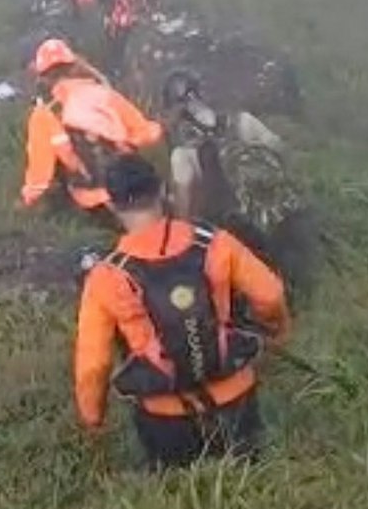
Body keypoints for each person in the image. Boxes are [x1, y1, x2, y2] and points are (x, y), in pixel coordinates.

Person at [73, 155, 290, 469]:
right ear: (162, 190)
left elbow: (93, 364)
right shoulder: (214, 242)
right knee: (258, 481)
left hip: (164, 417)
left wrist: (93, 419)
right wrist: (279, 333)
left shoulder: (107, 276)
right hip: (236, 396)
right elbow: (270, 296)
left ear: (112, 206)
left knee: (180, 495)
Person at [21, 38, 162, 215]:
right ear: (74, 66)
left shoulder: (43, 115)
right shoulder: (104, 93)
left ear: (43, 77)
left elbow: (40, 175)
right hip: (134, 184)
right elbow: (147, 134)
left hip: (92, 200)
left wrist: (27, 202)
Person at [158, 69, 292, 232]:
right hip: (277, 216)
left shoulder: (184, 154)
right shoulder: (243, 121)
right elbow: (282, 152)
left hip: (232, 231)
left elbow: (184, 212)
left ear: (178, 109)